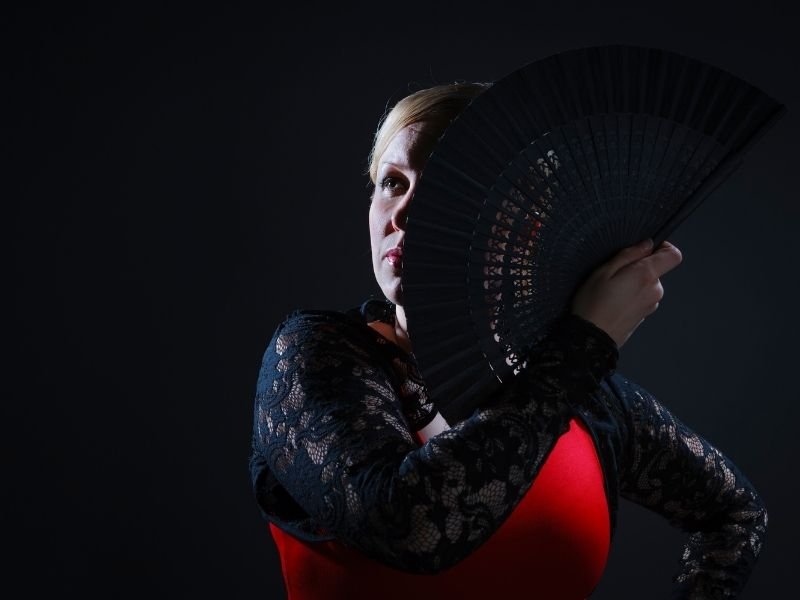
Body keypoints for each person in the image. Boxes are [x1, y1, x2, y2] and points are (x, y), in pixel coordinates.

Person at [249, 82, 767, 599]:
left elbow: (735, 515)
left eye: (443, 185)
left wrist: (577, 356)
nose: (403, 214)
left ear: (522, 222)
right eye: (391, 182)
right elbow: (411, 527)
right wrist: (586, 342)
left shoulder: (587, 399)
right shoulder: (315, 355)